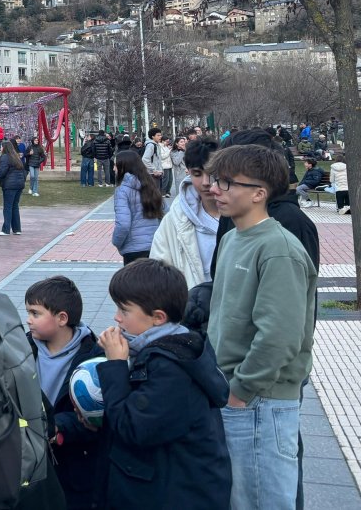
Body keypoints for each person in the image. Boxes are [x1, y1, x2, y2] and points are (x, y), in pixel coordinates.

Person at [206, 144, 316, 510]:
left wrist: (241, 390)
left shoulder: (278, 249)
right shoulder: (231, 239)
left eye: (226, 182)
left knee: (259, 502)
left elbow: (280, 336)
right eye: (214, 180)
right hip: (232, 396)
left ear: (259, 193)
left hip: (260, 402)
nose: (214, 189)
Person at [94, 259, 231, 510]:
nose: (116, 317)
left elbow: (133, 428)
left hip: (175, 494)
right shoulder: (162, 348)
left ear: (158, 317)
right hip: (165, 486)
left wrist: (115, 366)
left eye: (124, 310)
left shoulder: (171, 368)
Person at [24, 276, 104, 510]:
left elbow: (97, 418)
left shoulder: (94, 356)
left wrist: (58, 426)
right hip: (29, 460)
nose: (28, 320)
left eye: (35, 313)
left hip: (73, 464)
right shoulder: (21, 348)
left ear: (62, 318)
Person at [150, 138, 220, 288]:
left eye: (212, 173)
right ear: (188, 172)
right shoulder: (174, 220)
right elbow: (158, 272)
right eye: (197, 174)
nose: (206, 182)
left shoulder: (241, 215)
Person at [112, 151, 164, 264]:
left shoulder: (122, 190)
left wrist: (116, 242)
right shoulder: (151, 186)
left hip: (134, 250)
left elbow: (123, 224)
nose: (113, 169)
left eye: (115, 165)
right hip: (155, 248)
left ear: (123, 167)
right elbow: (166, 215)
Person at [0, 140, 26, 236]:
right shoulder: (16, 157)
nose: (0, 148)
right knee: (15, 206)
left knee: (8, 207)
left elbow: (1, 171)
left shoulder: (5, 157)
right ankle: (17, 229)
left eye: (1, 146)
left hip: (10, 185)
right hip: (19, 184)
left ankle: (6, 229)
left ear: (4, 148)